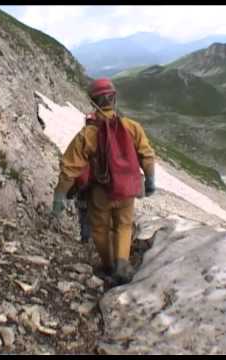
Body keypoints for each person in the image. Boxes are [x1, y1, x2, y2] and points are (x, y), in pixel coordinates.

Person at [52, 78, 156, 286]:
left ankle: (109, 266)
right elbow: (146, 154)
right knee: (124, 225)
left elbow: (69, 168)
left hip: (102, 192)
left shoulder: (88, 133)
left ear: (93, 102)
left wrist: (60, 195)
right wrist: (150, 179)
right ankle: (122, 263)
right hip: (127, 190)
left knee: (100, 229)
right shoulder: (132, 127)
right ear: (114, 98)